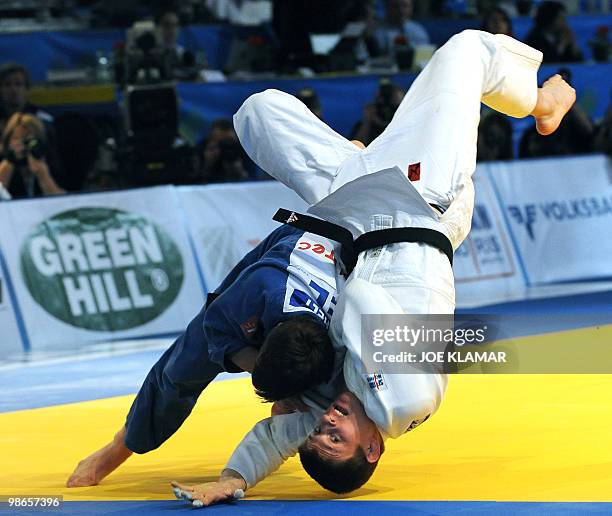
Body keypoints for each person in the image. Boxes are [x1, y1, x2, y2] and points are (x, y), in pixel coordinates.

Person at [171, 29, 575, 506]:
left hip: (356, 208)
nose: (325, 424)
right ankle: (543, 104)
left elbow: (273, 437)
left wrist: (233, 479)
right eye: (336, 438)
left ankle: (358, 154)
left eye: (319, 433)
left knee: (259, 114)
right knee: (465, 51)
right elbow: (360, 302)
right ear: (373, 446)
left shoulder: (340, 403)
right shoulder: (406, 398)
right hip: (422, 203)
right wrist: (307, 377)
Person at [66, 223, 343, 487]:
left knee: (319, 387)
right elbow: (214, 329)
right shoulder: (258, 285)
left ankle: (289, 391)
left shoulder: (348, 324)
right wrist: (276, 388)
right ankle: (121, 445)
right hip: (287, 247)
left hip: (340, 248)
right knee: (184, 367)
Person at [0, 113, 65, 199]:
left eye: (28, 140)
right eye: (16, 138)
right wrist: (10, 161)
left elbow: (61, 201)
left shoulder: (50, 162)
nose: (22, 145)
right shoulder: (3, 161)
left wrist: (42, 173)